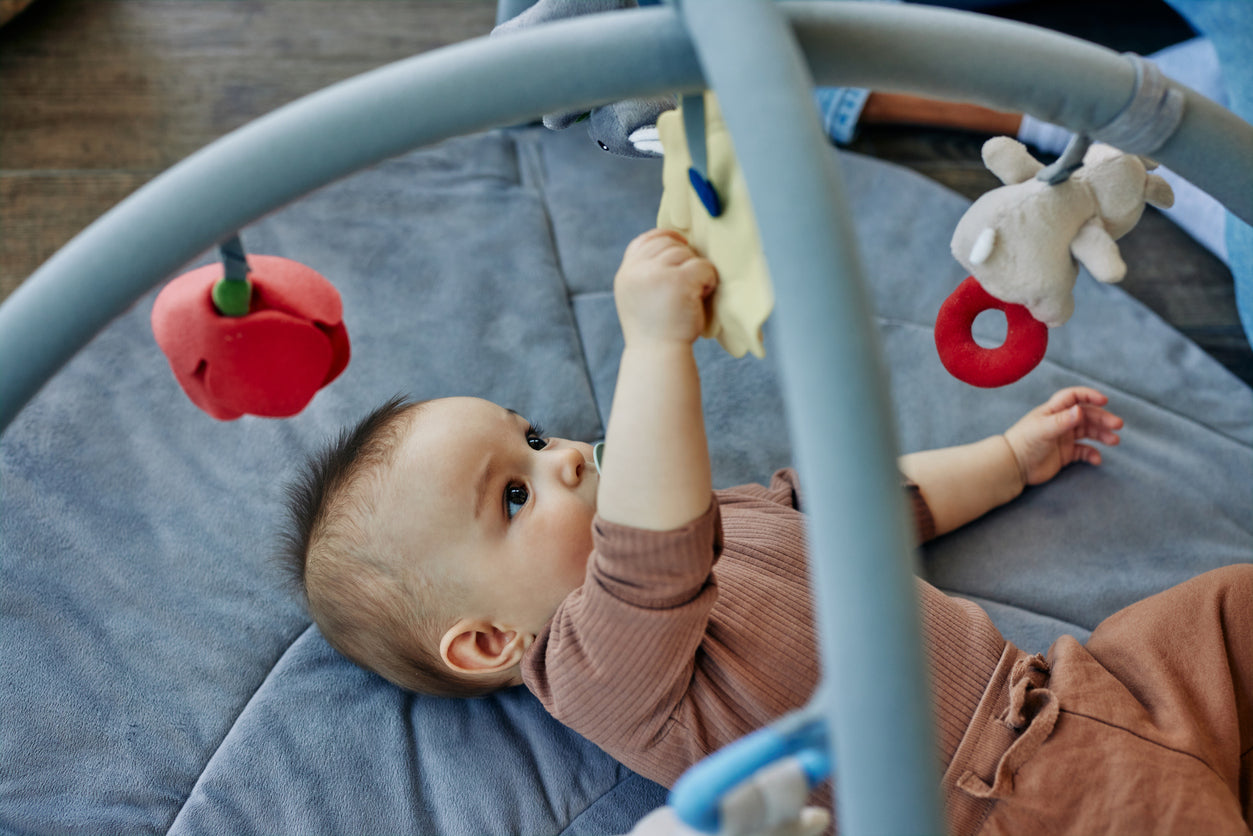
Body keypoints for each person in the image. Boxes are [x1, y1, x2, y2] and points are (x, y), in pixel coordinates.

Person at [282, 229, 1250, 834]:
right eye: (514, 495)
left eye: (533, 435)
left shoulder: (724, 517)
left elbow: (868, 506)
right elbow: (647, 551)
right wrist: (656, 344)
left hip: (1076, 684)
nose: (568, 455)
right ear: (492, 638)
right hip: (996, 800)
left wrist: (1007, 456)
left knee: (1228, 609)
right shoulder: (594, 667)